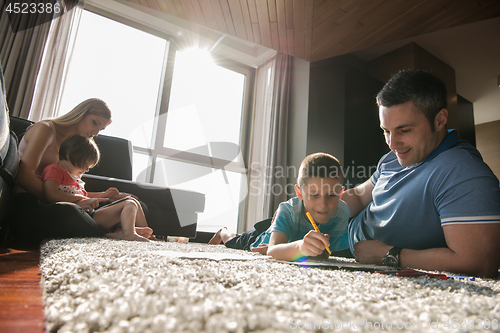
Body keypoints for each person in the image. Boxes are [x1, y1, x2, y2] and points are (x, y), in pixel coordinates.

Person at [342, 70, 500, 278]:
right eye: (386, 131)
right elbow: (361, 195)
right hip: (335, 233)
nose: (392, 143)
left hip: (351, 254)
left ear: (440, 120)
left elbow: (478, 263)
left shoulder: (464, 172)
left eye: (404, 130)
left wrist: (387, 255)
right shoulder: (393, 157)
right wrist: (320, 207)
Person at [9, 98, 134, 245]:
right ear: (81, 113)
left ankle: (121, 232)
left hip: (54, 202)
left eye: (100, 129)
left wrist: (104, 196)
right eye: (95, 123)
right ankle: (112, 234)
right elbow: (23, 175)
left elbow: (71, 190)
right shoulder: (46, 129)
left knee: (127, 204)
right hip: (30, 203)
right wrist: (61, 199)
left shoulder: (75, 146)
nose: (96, 132)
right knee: (69, 212)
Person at [209, 153, 351, 261]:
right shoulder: (287, 210)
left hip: (283, 232)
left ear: (340, 193)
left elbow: (325, 253)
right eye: (314, 195)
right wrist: (299, 247)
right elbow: (273, 251)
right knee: (234, 241)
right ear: (299, 193)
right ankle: (223, 231)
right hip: (261, 237)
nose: (323, 204)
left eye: (331, 195)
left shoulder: (342, 212)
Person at [42, 134, 152, 242]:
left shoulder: (74, 178)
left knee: (132, 202)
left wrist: (104, 195)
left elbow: (83, 196)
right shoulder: (54, 170)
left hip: (89, 215)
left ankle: (146, 235)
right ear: (68, 155)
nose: (86, 170)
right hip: (79, 216)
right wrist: (83, 200)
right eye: (85, 164)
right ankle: (128, 233)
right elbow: (51, 194)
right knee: (130, 204)